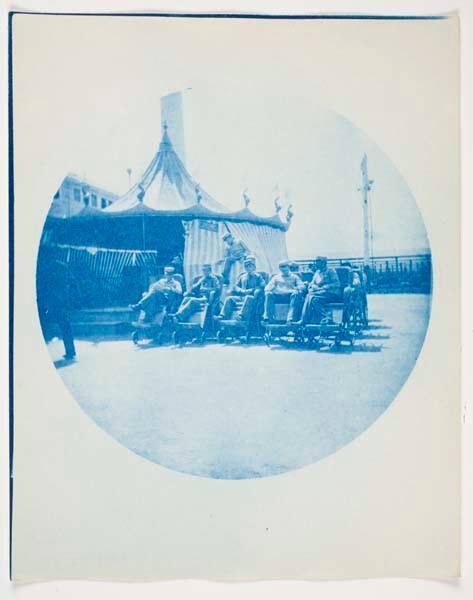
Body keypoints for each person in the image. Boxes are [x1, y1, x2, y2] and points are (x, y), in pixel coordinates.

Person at [37, 256, 78, 360]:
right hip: (61, 302)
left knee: (45, 325)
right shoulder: (63, 267)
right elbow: (73, 283)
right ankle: (70, 351)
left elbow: (43, 286)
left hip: (51, 302)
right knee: (65, 327)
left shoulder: (45, 268)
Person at [216, 256, 265, 321]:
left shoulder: (258, 276)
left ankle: (241, 316)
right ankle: (223, 316)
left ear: (254, 267)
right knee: (229, 299)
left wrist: (253, 290)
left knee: (248, 297)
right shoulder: (242, 277)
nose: (248, 268)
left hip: (252, 297)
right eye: (246, 266)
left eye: (250, 266)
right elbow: (236, 286)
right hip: (242, 297)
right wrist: (241, 290)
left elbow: (262, 285)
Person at [300, 256, 341, 324]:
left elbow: (337, 283)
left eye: (318, 261)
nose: (316, 263)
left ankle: (304, 320)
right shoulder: (317, 272)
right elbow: (311, 283)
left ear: (324, 263)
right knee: (314, 300)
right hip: (319, 294)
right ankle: (324, 318)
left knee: (310, 296)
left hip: (331, 293)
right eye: (316, 261)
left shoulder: (330, 271)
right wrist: (313, 286)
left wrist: (324, 287)